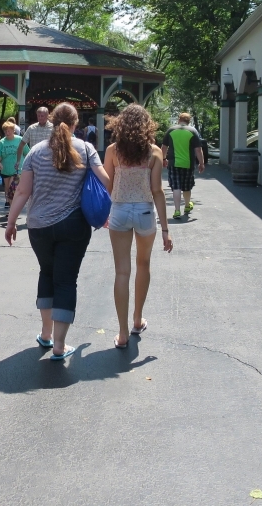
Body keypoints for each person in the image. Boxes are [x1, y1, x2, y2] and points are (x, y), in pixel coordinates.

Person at [5, 103, 110, 360]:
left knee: (47, 273)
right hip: (74, 225)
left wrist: (10, 222)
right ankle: (60, 346)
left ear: (52, 122)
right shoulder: (86, 149)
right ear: (76, 124)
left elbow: (22, 191)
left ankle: (46, 334)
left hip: (39, 226)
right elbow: (107, 181)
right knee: (66, 280)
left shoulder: (36, 152)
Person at [104, 104, 173, 348]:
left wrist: (104, 213)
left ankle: (122, 333)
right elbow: (157, 191)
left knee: (121, 271)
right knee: (143, 264)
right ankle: (136, 319)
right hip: (144, 212)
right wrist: (165, 229)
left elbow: (108, 186)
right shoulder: (154, 152)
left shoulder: (113, 151)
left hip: (120, 210)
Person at [161, 112, 205, 219]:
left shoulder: (171, 130)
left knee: (176, 187)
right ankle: (186, 205)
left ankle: (176, 210)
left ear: (179, 119)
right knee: (186, 186)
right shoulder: (192, 131)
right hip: (188, 164)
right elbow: (198, 150)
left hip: (173, 163)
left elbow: (163, 147)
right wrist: (201, 163)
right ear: (188, 121)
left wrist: (163, 159)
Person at [0, 121, 23, 206]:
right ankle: (11, 206)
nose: (7, 132)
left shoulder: (19, 140)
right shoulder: (2, 142)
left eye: (9, 130)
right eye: (5, 131)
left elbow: (27, 152)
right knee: (7, 189)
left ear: (13, 130)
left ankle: (12, 210)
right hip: (5, 169)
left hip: (17, 169)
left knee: (12, 189)